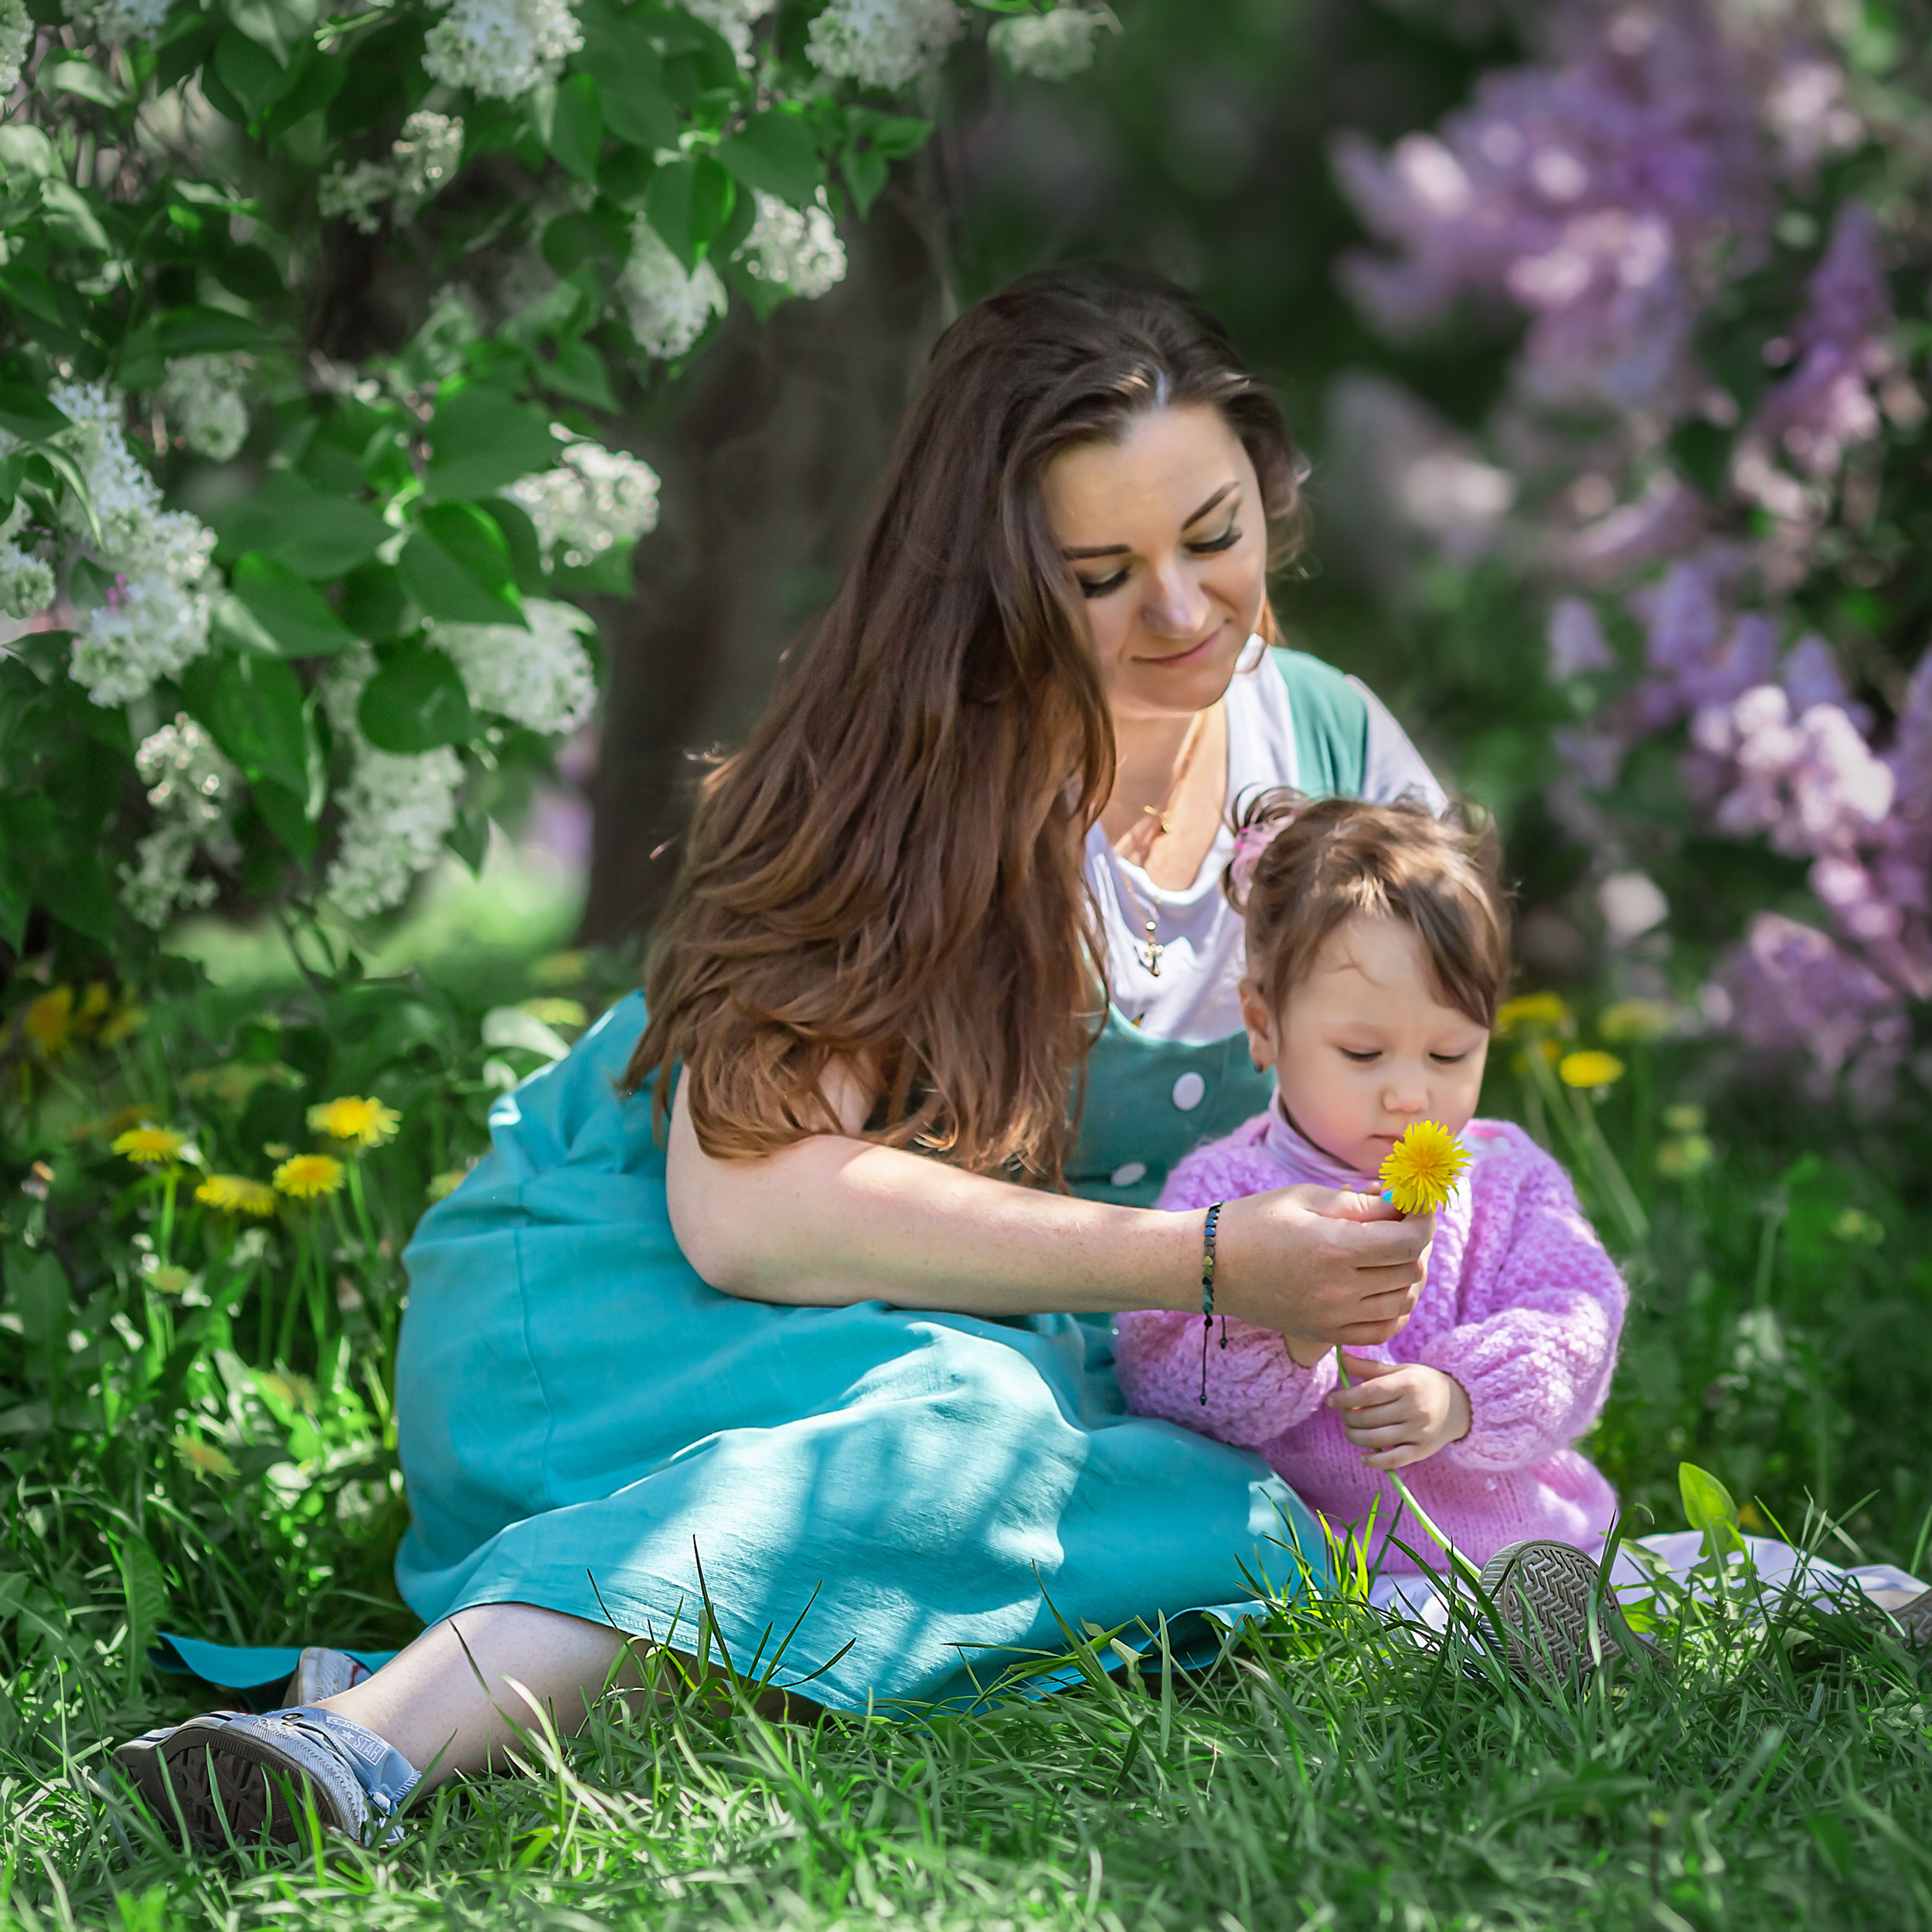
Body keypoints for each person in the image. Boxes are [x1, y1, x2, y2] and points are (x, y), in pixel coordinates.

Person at [116, 264, 1464, 1848]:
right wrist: (1207, 1258)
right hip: (654, 1289)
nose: (1176, 611)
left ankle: (512, 1665)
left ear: (1266, 493)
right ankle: (365, 1744)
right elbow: (749, 1211)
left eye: (1213, 537)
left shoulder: (1335, 753)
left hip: (1058, 1318)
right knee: (966, 1441)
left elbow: (1432, 1093)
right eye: (1099, 574)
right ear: (994, 576)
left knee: (1241, 1518)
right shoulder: (897, 773)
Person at [1114, 790, 1629, 1619]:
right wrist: (1290, 1334)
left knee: (1709, 1582)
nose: (1408, 1091)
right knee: (1427, 1637)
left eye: (1450, 1051)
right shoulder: (1222, 1193)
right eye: (1361, 1051)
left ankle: (1863, 1608)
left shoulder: (1504, 1178)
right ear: (1263, 1024)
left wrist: (1462, 1395)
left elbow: (1577, 1316)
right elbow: (1162, 1380)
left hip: (1533, 1538)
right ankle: (1537, 1649)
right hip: (1338, 1570)